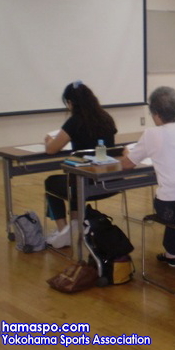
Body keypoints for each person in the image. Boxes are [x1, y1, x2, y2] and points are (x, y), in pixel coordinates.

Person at [120, 87, 175, 267]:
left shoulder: (152, 134)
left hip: (171, 209)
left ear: (156, 114)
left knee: (168, 194)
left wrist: (128, 152)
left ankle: (173, 253)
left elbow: (127, 164)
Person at [44, 81, 118, 248]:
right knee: (74, 178)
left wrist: (49, 140)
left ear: (71, 103)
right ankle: (75, 226)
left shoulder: (74, 121)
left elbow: (51, 149)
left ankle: (65, 231)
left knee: (52, 182)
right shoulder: (106, 118)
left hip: (84, 183)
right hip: (110, 182)